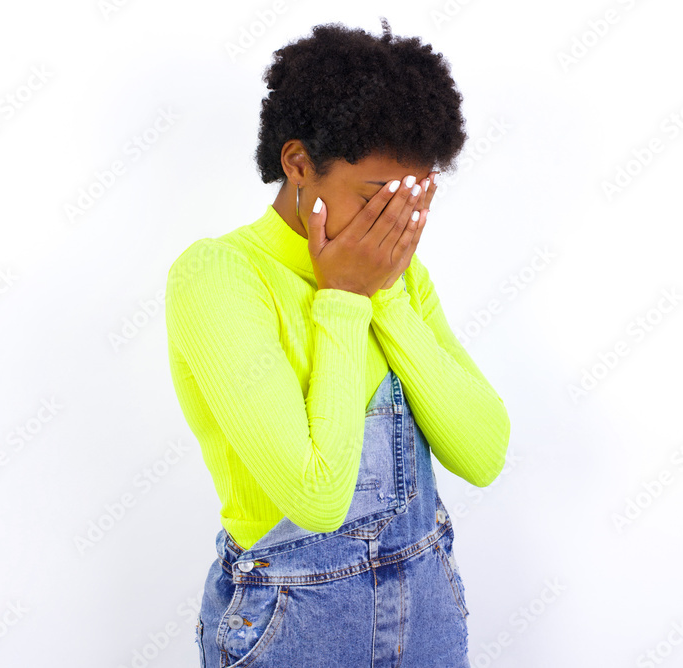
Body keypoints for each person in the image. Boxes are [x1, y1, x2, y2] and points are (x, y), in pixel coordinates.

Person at [165, 18, 511, 667]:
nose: (400, 223)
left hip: (428, 617)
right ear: (298, 163)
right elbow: (318, 498)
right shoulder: (220, 277)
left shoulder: (398, 278)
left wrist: (382, 296)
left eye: (415, 199)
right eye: (377, 197)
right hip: (291, 626)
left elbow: (485, 452)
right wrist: (346, 299)